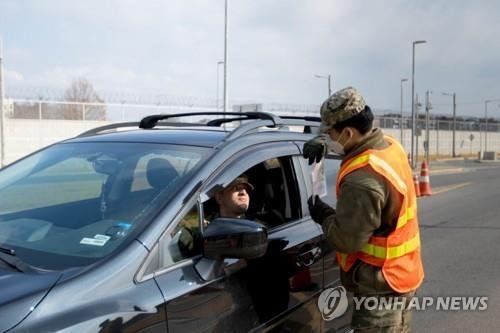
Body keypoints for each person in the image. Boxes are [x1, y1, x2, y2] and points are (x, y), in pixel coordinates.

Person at [303, 87, 424, 332]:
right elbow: (358, 149)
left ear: (348, 132)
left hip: (382, 290)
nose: (328, 137)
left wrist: (324, 215)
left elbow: (347, 241)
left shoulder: (363, 181)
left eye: (330, 133)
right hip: (401, 274)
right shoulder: (390, 145)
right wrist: (327, 144)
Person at [177, 175, 254, 257]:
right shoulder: (203, 228)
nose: (244, 193)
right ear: (219, 198)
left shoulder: (256, 227)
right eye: (236, 188)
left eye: (245, 189)